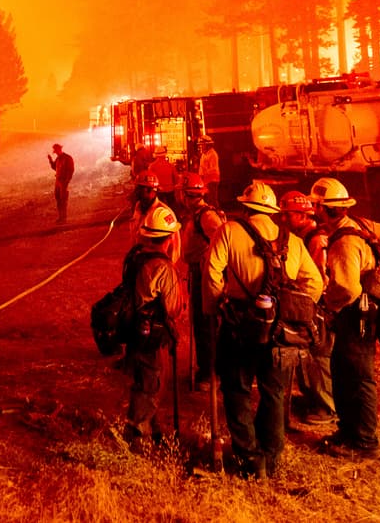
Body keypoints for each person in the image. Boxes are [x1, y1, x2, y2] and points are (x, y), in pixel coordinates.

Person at [204, 181, 322, 478]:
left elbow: (211, 272)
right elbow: (316, 284)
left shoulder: (229, 231)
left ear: (245, 207)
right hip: (281, 332)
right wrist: (293, 309)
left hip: (239, 326)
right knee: (274, 392)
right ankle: (272, 456)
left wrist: (215, 305)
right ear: (271, 212)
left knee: (237, 390)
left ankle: (249, 460)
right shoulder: (291, 241)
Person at [309, 176, 380, 460]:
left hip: (356, 314)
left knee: (358, 376)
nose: (314, 211)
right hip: (367, 308)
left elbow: (347, 289)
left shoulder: (344, 243)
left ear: (327, 209)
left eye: (317, 206)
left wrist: (328, 306)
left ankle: (364, 441)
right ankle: (348, 431)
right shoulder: (362, 225)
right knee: (342, 371)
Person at [118, 202, 184, 453]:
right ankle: (135, 434)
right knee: (151, 384)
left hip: (134, 328)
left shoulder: (135, 255)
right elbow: (173, 308)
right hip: (151, 334)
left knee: (143, 379)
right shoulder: (163, 268)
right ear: (168, 238)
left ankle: (152, 429)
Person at [277, 191, 336, 426]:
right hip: (307, 303)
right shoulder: (301, 236)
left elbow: (318, 279)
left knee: (318, 356)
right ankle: (312, 399)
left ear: (303, 215)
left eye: (287, 215)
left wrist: (303, 305)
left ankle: (326, 407)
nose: (282, 220)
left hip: (316, 304)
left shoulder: (315, 239)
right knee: (305, 355)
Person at [177, 172, 224, 391]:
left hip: (204, 274)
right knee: (200, 323)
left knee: (206, 325)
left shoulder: (206, 216)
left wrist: (209, 265)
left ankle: (210, 373)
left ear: (188, 195)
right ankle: (207, 368)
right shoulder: (196, 214)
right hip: (198, 272)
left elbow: (220, 241)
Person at [130, 171, 178, 263]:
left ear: (149, 190)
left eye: (139, 188)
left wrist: (167, 269)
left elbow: (175, 248)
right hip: (140, 263)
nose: (135, 191)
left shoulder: (165, 214)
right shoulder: (138, 207)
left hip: (157, 266)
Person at [48, 144, 75, 223]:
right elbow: (54, 168)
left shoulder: (67, 158)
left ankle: (63, 219)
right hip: (58, 181)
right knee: (58, 199)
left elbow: (71, 170)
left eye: (55, 150)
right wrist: (50, 160)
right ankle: (61, 218)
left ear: (59, 149)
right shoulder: (58, 158)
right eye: (55, 151)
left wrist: (67, 181)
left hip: (63, 182)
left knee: (63, 200)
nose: (55, 152)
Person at [198, 138, 221, 206]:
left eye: (202, 145)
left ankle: (216, 214)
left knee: (212, 200)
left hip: (212, 181)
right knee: (207, 200)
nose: (200, 146)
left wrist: (204, 173)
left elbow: (213, 169)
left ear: (208, 145)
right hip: (206, 181)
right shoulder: (204, 154)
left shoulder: (213, 154)